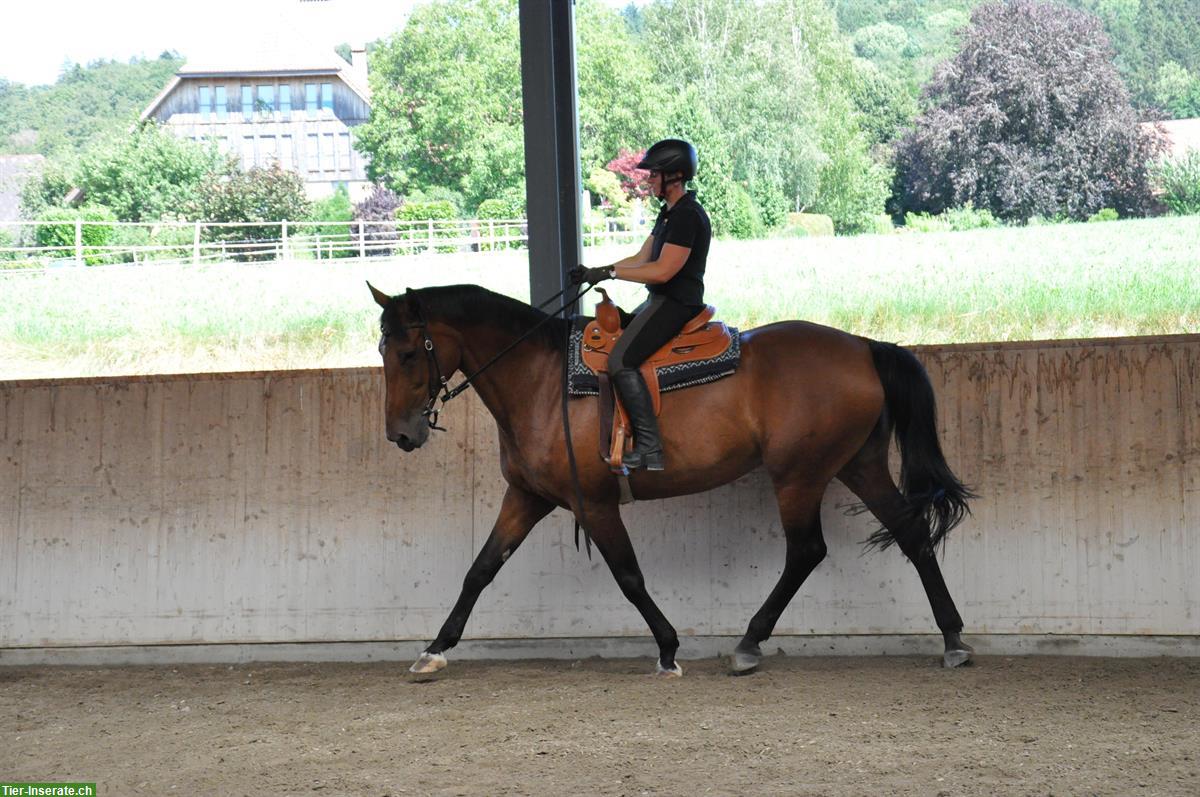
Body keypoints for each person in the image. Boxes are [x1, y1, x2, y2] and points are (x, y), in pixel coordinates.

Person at [571, 138, 712, 472]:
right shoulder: (668, 215)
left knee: (621, 361)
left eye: (654, 175)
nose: (649, 180)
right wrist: (599, 272)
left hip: (677, 304)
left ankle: (650, 448)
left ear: (675, 176)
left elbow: (663, 271)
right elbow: (641, 258)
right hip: (659, 300)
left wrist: (612, 273)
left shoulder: (687, 216)